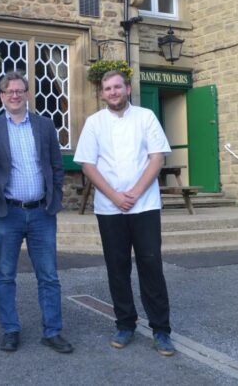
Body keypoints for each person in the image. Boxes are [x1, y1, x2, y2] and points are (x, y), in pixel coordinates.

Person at [73, 70, 176, 357]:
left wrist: (135, 193)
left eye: (117, 86)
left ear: (128, 89)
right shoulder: (94, 123)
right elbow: (88, 166)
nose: (113, 92)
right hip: (109, 208)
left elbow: (157, 158)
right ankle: (125, 324)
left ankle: (161, 330)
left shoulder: (145, 117)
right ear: (102, 93)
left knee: (151, 266)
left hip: (144, 206)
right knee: (117, 268)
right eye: (107, 88)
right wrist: (116, 196)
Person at [0, 71, 73, 354]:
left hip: (42, 213)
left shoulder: (44, 125)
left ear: (27, 94)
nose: (15, 95)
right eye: (9, 91)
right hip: (8, 213)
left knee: (49, 276)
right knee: (5, 274)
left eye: (20, 90)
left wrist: (54, 195)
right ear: (2, 96)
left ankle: (52, 331)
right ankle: (10, 329)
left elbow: (56, 165)